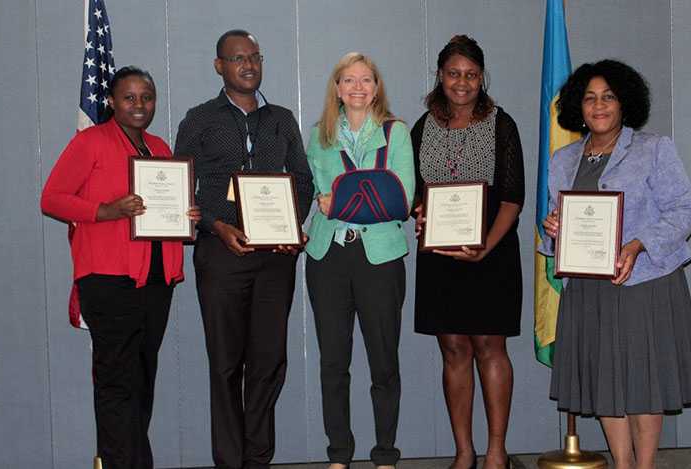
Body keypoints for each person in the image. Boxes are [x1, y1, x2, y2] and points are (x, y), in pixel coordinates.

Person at [540, 59, 691, 469]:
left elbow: (684, 211)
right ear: (578, 107)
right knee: (607, 385)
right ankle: (622, 463)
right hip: (588, 289)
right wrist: (553, 229)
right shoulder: (563, 159)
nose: (599, 106)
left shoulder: (654, 148)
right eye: (590, 98)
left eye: (609, 97)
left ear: (625, 103)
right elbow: (555, 228)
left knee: (642, 384)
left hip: (644, 285)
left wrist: (637, 245)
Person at [41, 66, 199, 469]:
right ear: (111, 101)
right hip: (108, 279)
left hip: (157, 278)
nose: (139, 105)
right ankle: (118, 462)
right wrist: (106, 210)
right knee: (116, 380)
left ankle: (134, 460)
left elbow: (167, 213)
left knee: (143, 377)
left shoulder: (160, 148)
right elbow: (53, 198)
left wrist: (186, 219)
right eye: (129, 97)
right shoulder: (90, 142)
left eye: (146, 97)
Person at [174, 30, 313, 469]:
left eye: (254, 56)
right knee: (226, 364)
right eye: (237, 58)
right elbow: (182, 188)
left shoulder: (283, 118)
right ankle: (229, 461)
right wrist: (217, 224)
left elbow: (304, 181)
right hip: (221, 254)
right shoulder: (199, 119)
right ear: (220, 66)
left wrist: (293, 226)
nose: (247, 65)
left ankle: (258, 459)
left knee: (269, 361)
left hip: (276, 258)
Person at [411, 35, 524, 469]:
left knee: (490, 347)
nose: (462, 82)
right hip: (439, 257)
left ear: (482, 78)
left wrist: (484, 249)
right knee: (454, 349)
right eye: (454, 73)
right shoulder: (423, 126)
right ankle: (464, 452)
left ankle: (496, 450)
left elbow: (513, 198)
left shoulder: (501, 124)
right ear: (441, 76)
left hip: (491, 251)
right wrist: (419, 212)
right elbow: (415, 192)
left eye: (471, 75)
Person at [305, 52, 414, 469]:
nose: (357, 87)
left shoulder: (395, 132)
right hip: (327, 256)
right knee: (334, 362)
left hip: (380, 258)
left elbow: (401, 199)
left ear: (376, 86)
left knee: (383, 361)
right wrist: (358, 196)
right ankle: (339, 454)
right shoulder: (319, 135)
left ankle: (385, 453)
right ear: (337, 88)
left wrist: (343, 200)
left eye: (365, 80)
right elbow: (316, 194)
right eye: (348, 80)